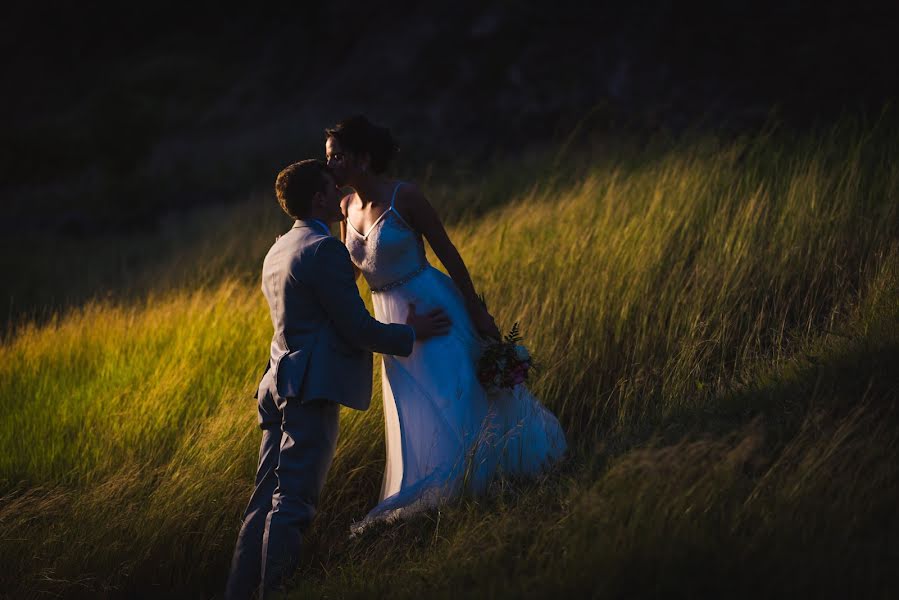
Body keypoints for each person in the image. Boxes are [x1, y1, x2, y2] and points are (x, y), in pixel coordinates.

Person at [325, 116, 567, 530]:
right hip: (393, 323)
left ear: (363, 158)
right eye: (328, 158)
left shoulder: (406, 197)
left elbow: (449, 254)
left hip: (433, 308)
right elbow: (353, 273)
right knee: (417, 406)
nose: (330, 165)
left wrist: (476, 310)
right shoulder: (345, 208)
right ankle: (441, 488)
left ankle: (481, 480)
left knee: (453, 392)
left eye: (338, 156)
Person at [225, 159, 452, 599]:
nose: (339, 193)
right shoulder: (324, 248)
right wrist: (412, 332)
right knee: (294, 503)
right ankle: (275, 591)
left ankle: (239, 592)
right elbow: (357, 328)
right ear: (318, 198)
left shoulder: (278, 249)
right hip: (308, 389)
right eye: (331, 188)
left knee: (263, 501)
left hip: (276, 382)